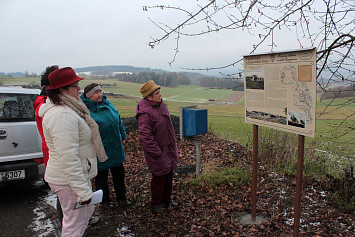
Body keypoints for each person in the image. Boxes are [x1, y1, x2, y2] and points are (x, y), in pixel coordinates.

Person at [38, 67, 108, 236]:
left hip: (75, 177)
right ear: (61, 89)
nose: (78, 89)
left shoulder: (70, 109)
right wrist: (82, 190)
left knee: (83, 217)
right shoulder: (61, 115)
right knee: (74, 225)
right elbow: (68, 158)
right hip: (67, 180)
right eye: (74, 85)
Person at [81, 83, 131, 208]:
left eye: (100, 92)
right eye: (96, 93)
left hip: (115, 145)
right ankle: (105, 201)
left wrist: (123, 135)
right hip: (100, 148)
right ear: (88, 96)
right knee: (101, 177)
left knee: (119, 174)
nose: (99, 95)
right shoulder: (85, 110)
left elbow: (118, 120)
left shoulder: (108, 104)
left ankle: (122, 197)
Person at [135, 80, 179, 214]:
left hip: (168, 148)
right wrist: (157, 152)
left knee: (169, 174)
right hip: (158, 151)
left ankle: (166, 200)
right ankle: (155, 203)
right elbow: (145, 137)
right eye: (157, 93)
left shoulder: (162, 106)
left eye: (159, 92)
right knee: (159, 177)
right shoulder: (145, 113)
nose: (160, 95)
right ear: (149, 97)